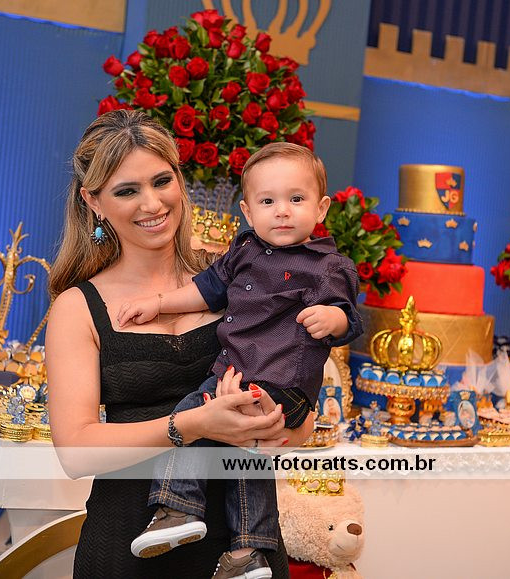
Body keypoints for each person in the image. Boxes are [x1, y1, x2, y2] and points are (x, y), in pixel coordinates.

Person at [46, 110, 314, 578]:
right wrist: (190, 424)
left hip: (244, 551)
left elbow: (303, 420)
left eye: (161, 181)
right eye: (127, 191)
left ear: (179, 179)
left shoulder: (240, 276)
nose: (152, 203)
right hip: (129, 547)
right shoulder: (78, 307)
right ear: (94, 202)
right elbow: (75, 451)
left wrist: (273, 425)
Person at [117, 142, 363, 576]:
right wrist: (158, 303)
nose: (282, 211)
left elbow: (350, 318)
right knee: (243, 454)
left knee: (192, 412)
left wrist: (333, 318)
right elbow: (205, 290)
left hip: (283, 385)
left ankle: (178, 505)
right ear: (248, 213)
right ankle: (250, 550)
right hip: (234, 375)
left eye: (296, 199)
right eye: (268, 202)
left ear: (321, 208)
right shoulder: (244, 251)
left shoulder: (326, 266)